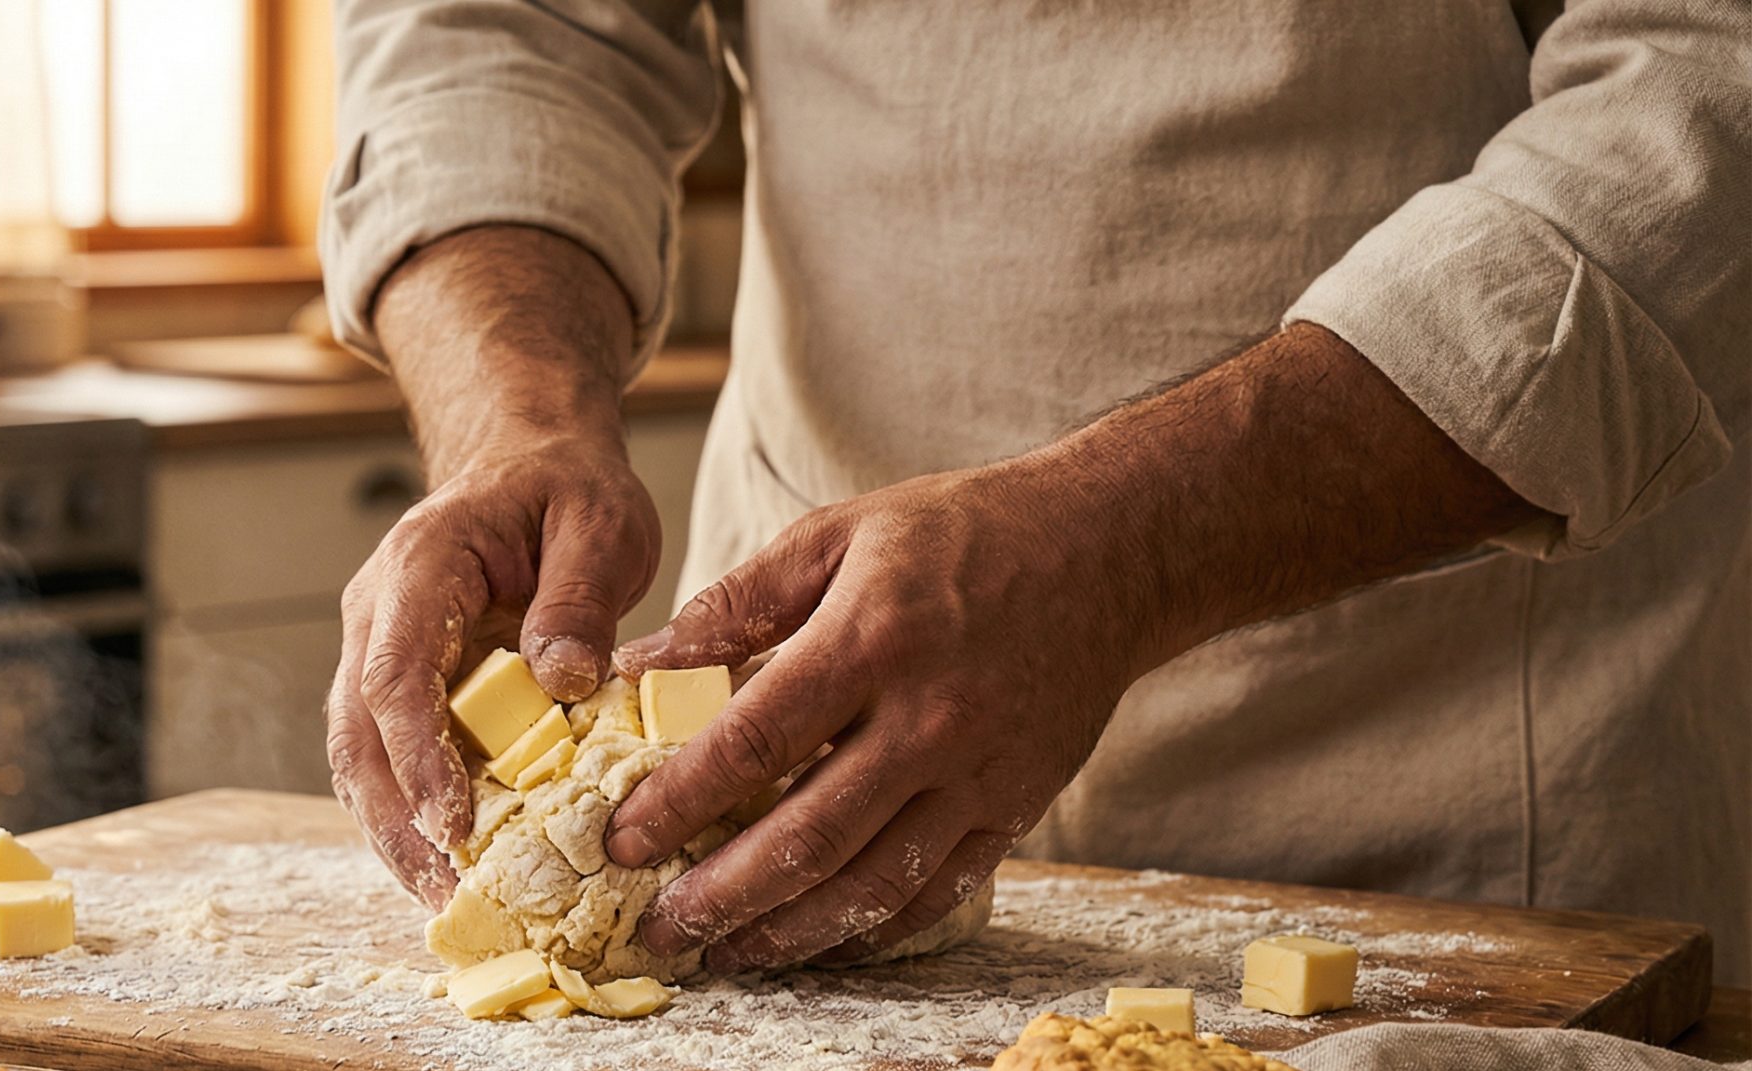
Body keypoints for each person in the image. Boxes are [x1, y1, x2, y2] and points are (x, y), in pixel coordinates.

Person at [318, 1, 1752, 983]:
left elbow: (1701, 89)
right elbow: (507, 28)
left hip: (1454, 773)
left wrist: (1131, 545)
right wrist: (515, 412)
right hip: (789, 746)